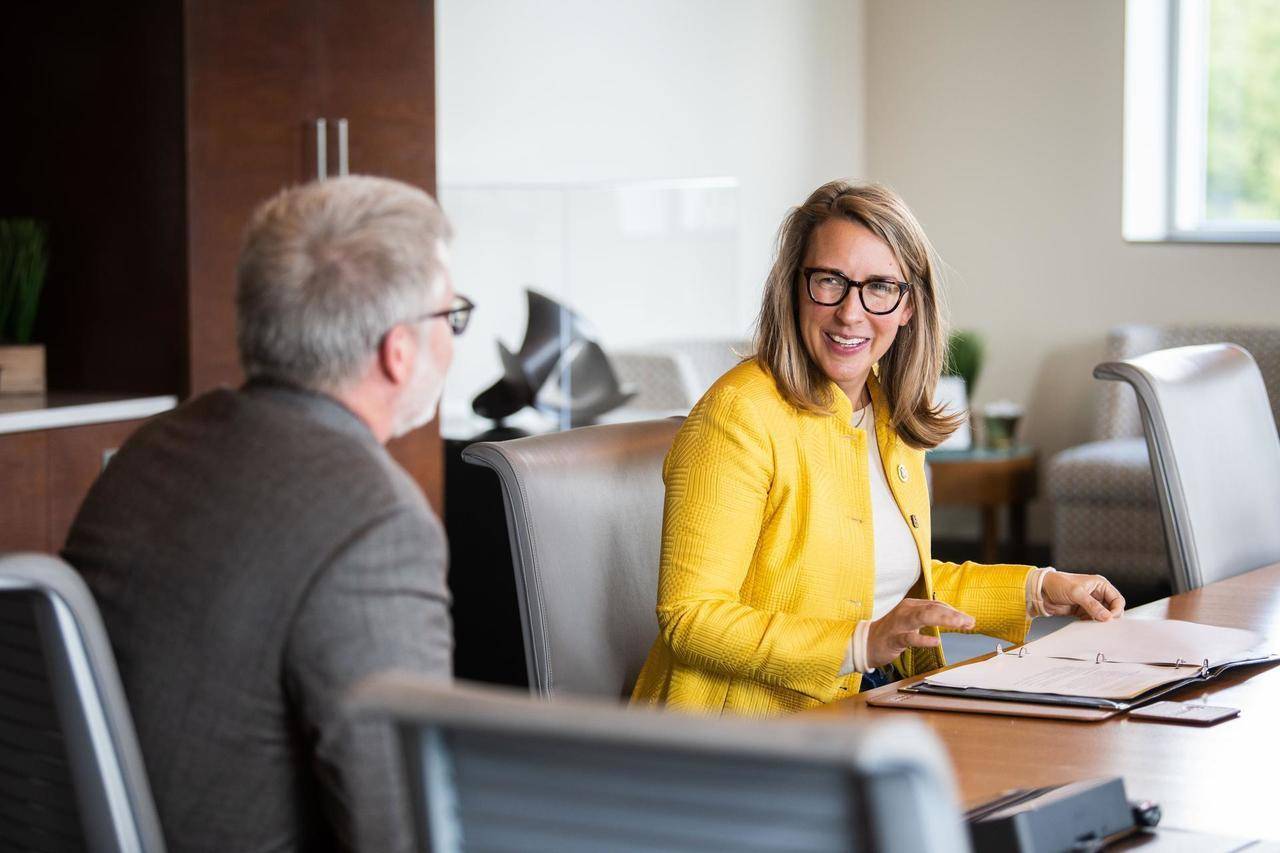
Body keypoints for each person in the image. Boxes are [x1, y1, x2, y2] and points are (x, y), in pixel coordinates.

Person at [62, 176, 473, 851]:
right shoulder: (376, 521)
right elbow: (408, 827)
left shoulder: (156, 446)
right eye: (451, 315)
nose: (453, 340)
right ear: (397, 352)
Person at [630, 180, 1124, 717]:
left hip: (866, 704)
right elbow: (691, 617)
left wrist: (1041, 589)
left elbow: (885, 585)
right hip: (738, 733)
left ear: (909, 305)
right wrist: (861, 645)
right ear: (794, 288)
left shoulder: (885, 409)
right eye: (830, 281)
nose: (850, 312)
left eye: (880, 287)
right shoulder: (737, 415)